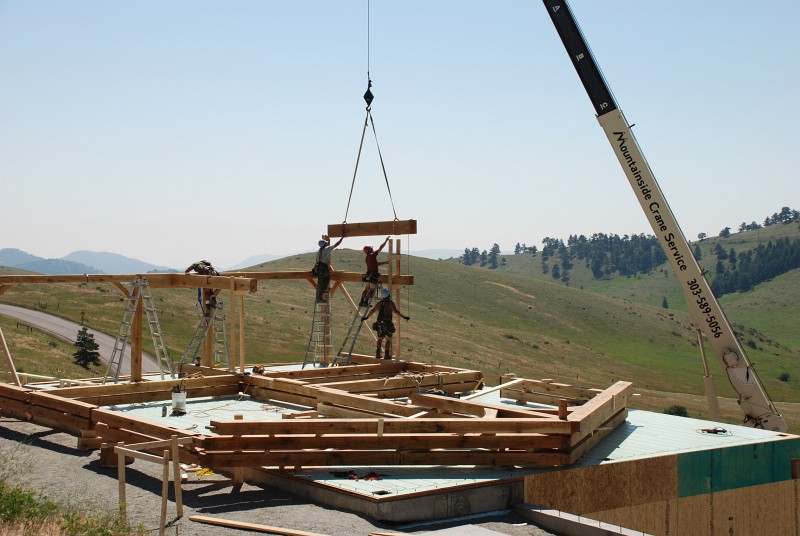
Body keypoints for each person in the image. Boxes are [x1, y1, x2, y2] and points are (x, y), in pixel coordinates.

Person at [362, 288, 409, 359]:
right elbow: (396, 312)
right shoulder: (391, 304)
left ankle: (378, 354)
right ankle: (386, 355)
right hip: (387, 324)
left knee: (380, 339)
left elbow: (373, 310)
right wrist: (404, 317)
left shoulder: (379, 303)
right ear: (388, 295)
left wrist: (366, 317)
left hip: (379, 324)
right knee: (388, 339)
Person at [359, 236, 390, 306]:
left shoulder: (367, 258)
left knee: (366, 289)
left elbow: (376, 264)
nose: (372, 249)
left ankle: (362, 301)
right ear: (369, 250)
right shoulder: (373, 255)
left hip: (368, 275)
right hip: (373, 275)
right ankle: (366, 302)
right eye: (370, 248)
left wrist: (385, 262)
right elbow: (380, 247)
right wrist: (386, 241)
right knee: (372, 290)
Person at [314, 234, 344, 302]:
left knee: (320, 283)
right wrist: (341, 238)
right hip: (323, 268)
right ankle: (321, 296)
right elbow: (336, 244)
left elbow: (316, 261)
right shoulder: (326, 249)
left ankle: (319, 297)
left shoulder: (319, 251)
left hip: (318, 268)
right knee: (325, 280)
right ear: (324, 244)